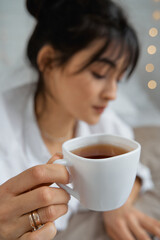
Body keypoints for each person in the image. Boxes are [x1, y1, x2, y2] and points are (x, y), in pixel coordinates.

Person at [0, 0, 160, 239]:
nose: (112, 94)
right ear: (48, 61)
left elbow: (135, 168)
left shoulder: (100, 120)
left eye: (117, 79)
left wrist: (118, 206)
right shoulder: (6, 132)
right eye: (99, 74)